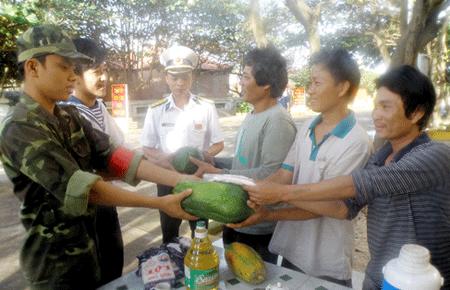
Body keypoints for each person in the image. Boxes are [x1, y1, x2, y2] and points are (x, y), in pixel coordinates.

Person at [0, 24, 198, 290]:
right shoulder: (19, 127)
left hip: (92, 248)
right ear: (33, 68)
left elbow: (115, 156)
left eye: (75, 68)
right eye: (64, 67)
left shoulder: (68, 117)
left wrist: (181, 179)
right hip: (56, 265)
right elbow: (85, 188)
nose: (73, 76)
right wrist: (160, 202)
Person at [243, 65, 450, 289]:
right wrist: (267, 213)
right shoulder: (379, 159)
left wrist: (279, 193)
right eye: (375, 105)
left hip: (423, 283)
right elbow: (342, 208)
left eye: (386, 107)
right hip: (378, 278)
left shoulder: (435, 155)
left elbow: (364, 183)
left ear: (417, 113)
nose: (376, 115)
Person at [230, 48, 372, 287]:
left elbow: (334, 207)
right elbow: (284, 175)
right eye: (310, 82)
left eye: (317, 83)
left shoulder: (356, 142)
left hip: (326, 262)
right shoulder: (307, 126)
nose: (310, 90)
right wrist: (243, 193)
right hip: (292, 252)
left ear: (342, 87)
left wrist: (274, 203)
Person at [191, 46, 297, 264]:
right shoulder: (253, 114)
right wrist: (214, 160)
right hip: (237, 217)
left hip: (258, 226)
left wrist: (219, 173)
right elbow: (243, 162)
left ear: (266, 84)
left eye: (246, 77)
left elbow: (271, 173)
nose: (240, 83)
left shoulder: (277, 120)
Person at [59, 38, 130, 284]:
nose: (104, 78)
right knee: (95, 276)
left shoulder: (98, 106)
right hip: (85, 212)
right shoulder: (69, 115)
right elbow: (88, 173)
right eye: (96, 72)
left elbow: (121, 150)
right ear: (74, 76)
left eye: (105, 70)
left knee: (113, 267)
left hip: (108, 205)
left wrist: (163, 161)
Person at [140, 45, 224, 243]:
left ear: (192, 78)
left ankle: (200, 267)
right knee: (169, 233)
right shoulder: (156, 110)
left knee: (200, 231)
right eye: (174, 78)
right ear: (166, 78)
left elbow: (218, 143)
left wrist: (202, 158)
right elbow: (146, 147)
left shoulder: (206, 108)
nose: (180, 83)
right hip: (167, 177)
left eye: (185, 77)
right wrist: (165, 162)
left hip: (198, 178)